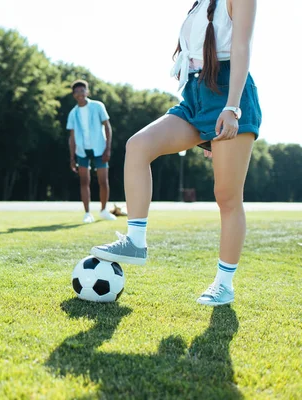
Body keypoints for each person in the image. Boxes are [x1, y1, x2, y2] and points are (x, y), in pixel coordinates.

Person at [90, 0, 261, 306]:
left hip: (229, 94)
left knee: (227, 196)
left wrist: (231, 108)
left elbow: (241, 48)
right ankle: (136, 241)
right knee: (138, 146)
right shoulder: (199, 4)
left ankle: (224, 283)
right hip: (196, 96)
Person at [67, 80, 117, 224]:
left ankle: (103, 210)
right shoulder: (73, 113)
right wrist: (72, 158)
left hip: (100, 149)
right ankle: (87, 213)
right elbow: (71, 137)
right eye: (77, 92)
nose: (80, 94)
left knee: (103, 181)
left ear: (87, 92)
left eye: (82, 91)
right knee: (84, 182)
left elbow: (107, 127)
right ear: (74, 95)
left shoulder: (98, 106)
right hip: (82, 151)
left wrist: (108, 148)